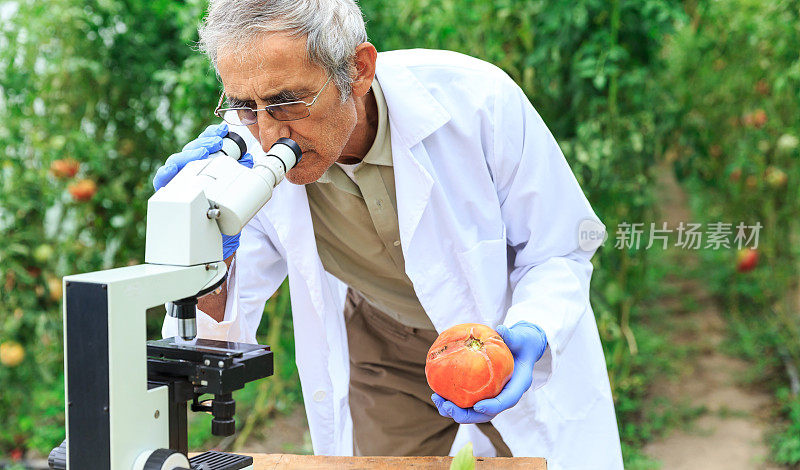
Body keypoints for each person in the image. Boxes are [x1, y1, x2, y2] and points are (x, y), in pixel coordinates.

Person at [157, 0, 623, 468]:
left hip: (497, 332)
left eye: (288, 102)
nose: (268, 133)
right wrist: (198, 242)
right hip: (383, 339)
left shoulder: (479, 102)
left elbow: (560, 247)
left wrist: (532, 329)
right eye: (243, 106)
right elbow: (221, 323)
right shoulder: (239, 160)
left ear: (357, 70)